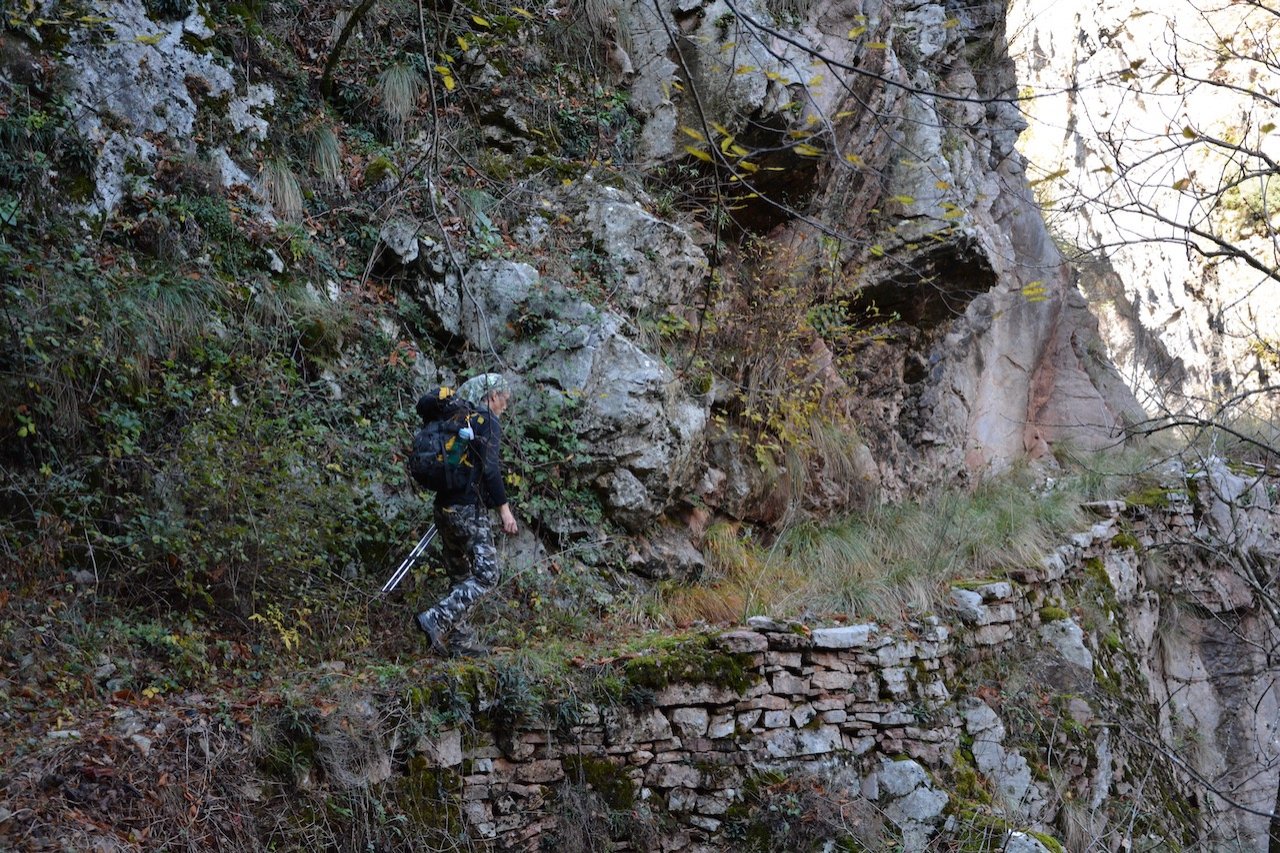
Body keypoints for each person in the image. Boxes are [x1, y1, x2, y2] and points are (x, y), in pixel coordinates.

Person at [415, 373, 518, 657]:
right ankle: (435, 618)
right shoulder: (486, 421)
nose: (505, 407)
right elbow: (490, 469)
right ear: (493, 396)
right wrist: (505, 511)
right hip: (468, 509)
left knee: (461, 577)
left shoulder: (457, 420)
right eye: (504, 400)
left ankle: (461, 643)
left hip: (443, 509)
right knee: (487, 576)